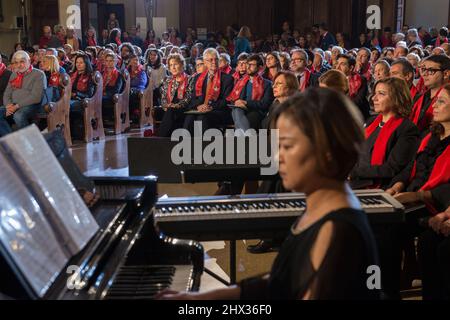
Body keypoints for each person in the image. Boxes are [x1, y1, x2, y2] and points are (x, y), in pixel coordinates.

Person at [158, 88, 380, 300]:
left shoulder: (336, 230)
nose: (277, 157)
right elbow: (281, 283)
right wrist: (198, 299)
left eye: (287, 146)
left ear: (327, 152)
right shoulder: (320, 208)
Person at [381, 83, 450, 299]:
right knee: (382, 227)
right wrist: (398, 185)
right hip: (415, 196)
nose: (434, 106)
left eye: (441, 101)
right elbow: (411, 167)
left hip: (435, 202)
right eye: (436, 100)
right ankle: (386, 292)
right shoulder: (430, 137)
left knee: (392, 230)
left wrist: (420, 195)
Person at [350, 77, 419, 190]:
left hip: (376, 185)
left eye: (381, 94)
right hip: (356, 179)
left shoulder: (407, 129)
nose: (374, 98)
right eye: (375, 93)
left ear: (397, 98)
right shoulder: (372, 121)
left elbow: (392, 168)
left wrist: (354, 172)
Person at [183, 48, 234, 133]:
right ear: (205, 62)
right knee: (190, 117)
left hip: (218, 111)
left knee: (202, 118)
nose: (214, 62)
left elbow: (226, 101)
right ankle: (185, 144)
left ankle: (203, 145)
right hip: (200, 109)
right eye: (210, 60)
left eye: (216, 59)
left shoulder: (227, 78)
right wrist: (198, 106)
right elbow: (192, 98)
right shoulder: (197, 78)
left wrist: (210, 106)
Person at [0, 51, 46, 137]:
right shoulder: (14, 74)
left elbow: (36, 97)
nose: (19, 65)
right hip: (13, 105)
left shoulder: (39, 74)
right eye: (16, 62)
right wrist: (8, 106)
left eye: (22, 61)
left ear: (29, 61)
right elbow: (7, 93)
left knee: (18, 115)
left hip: (32, 105)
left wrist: (17, 106)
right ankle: (11, 139)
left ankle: (31, 140)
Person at [227, 54, 274, 132]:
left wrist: (246, 103)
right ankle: (246, 135)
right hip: (241, 110)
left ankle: (242, 134)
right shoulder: (241, 81)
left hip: (256, 111)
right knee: (236, 110)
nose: (248, 67)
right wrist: (237, 102)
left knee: (239, 114)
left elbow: (265, 104)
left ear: (260, 68)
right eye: (248, 64)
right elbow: (233, 98)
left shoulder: (267, 84)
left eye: (252, 65)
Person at [410, 55, 450, 134]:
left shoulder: (447, 98)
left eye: (431, 70)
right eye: (424, 69)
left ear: (446, 74)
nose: (424, 74)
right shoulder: (419, 97)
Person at [157, 53, 193, 137]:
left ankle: (160, 137)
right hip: (169, 108)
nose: (173, 67)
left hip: (183, 108)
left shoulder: (190, 79)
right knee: (166, 111)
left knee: (171, 111)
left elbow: (189, 97)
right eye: (170, 65)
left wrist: (177, 105)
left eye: (175, 64)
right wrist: (166, 105)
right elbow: (163, 98)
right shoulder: (167, 80)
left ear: (182, 65)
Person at [336, 54, 370, 120]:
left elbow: (358, 100)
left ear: (351, 68)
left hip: (356, 114)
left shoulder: (361, 79)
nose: (337, 67)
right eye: (337, 63)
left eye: (342, 64)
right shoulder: (332, 79)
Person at [69, 53, 95, 140]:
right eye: (77, 62)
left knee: (66, 106)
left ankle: (67, 132)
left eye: (81, 63)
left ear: (86, 63)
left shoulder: (91, 76)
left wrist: (76, 94)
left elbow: (89, 94)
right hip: (71, 98)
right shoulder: (72, 74)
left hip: (84, 100)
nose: (78, 65)